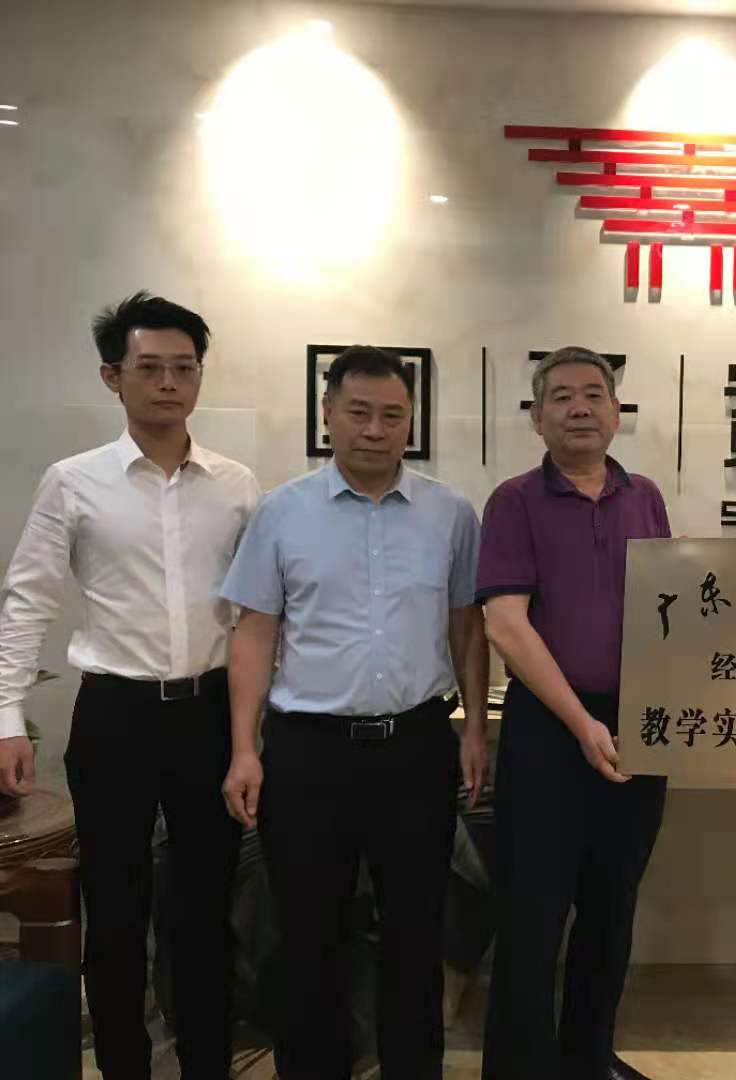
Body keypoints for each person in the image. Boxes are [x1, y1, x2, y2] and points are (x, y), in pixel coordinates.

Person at [0, 291, 259, 1078]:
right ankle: (123, 1067)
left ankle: (207, 1064)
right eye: (150, 368)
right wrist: (7, 716)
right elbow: (28, 599)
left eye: (185, 368)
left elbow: (261, 611)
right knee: (115, 913)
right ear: (113, 376)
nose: (169, 383)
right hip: (115, 715)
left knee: (206, 910)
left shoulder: (237, 484)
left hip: (210, 712)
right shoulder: (74, 481)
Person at [219, 345, 486, 1080]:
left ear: (411, 421)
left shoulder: (451, 513)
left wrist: (474, 729)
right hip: (309, 752)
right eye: (359, 412)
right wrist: (244, 749)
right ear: (328, 413)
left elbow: (467, 626)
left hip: (416, 746)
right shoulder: (282, 512)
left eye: (392, 415)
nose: (375, 429)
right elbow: (254, 632)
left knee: (415, 934)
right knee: (308, 936)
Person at [478, 346, 670, 1080]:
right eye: (561, 396)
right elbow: (505, 624)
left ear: (617, 412)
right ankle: (520, 1067)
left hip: (638, 725)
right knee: (533, 912)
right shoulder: (514, 501)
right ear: (537, 417)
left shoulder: (644, 496)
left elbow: (673, 609)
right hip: (548, 732)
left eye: (594, 394)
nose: (580, 408)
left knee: (611, 905)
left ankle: (590, 1056)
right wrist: (580, 723)